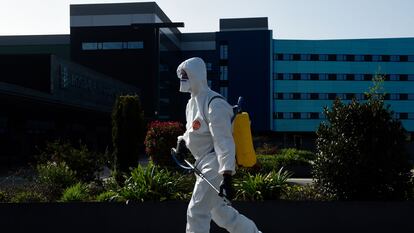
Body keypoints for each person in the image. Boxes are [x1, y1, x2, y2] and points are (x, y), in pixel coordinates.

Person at [175, 57, 262, 233]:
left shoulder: (215, 103)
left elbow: (224, 141)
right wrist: (182, 142)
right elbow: (191, 131)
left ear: (197, 75)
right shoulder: (191, 104)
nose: (183, 78)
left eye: (186, 74)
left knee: (196, 211)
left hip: (215, 163)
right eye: (181, 75)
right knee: (219, 213)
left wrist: (227, 174)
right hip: (202, 164)